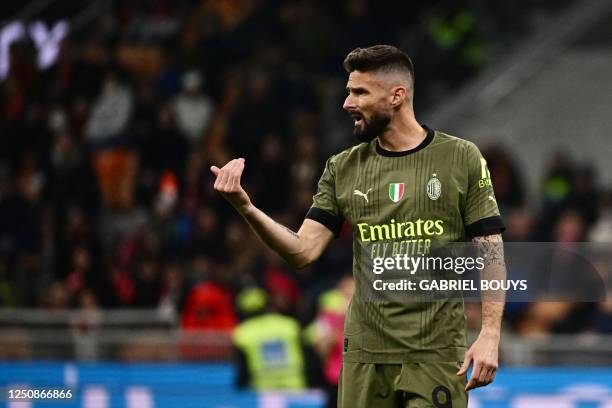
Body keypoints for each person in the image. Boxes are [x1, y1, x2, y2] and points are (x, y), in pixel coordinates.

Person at [211, 45, 506, 407]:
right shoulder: (342, 167)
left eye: (359, 92)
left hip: (436, 352)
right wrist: (246, 207)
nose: (347, 103)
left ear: (397, 96)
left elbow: (490, 250)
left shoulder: (459, 157)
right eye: (348, 91)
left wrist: (490, 333)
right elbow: (303, 250)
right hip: (364, 355)